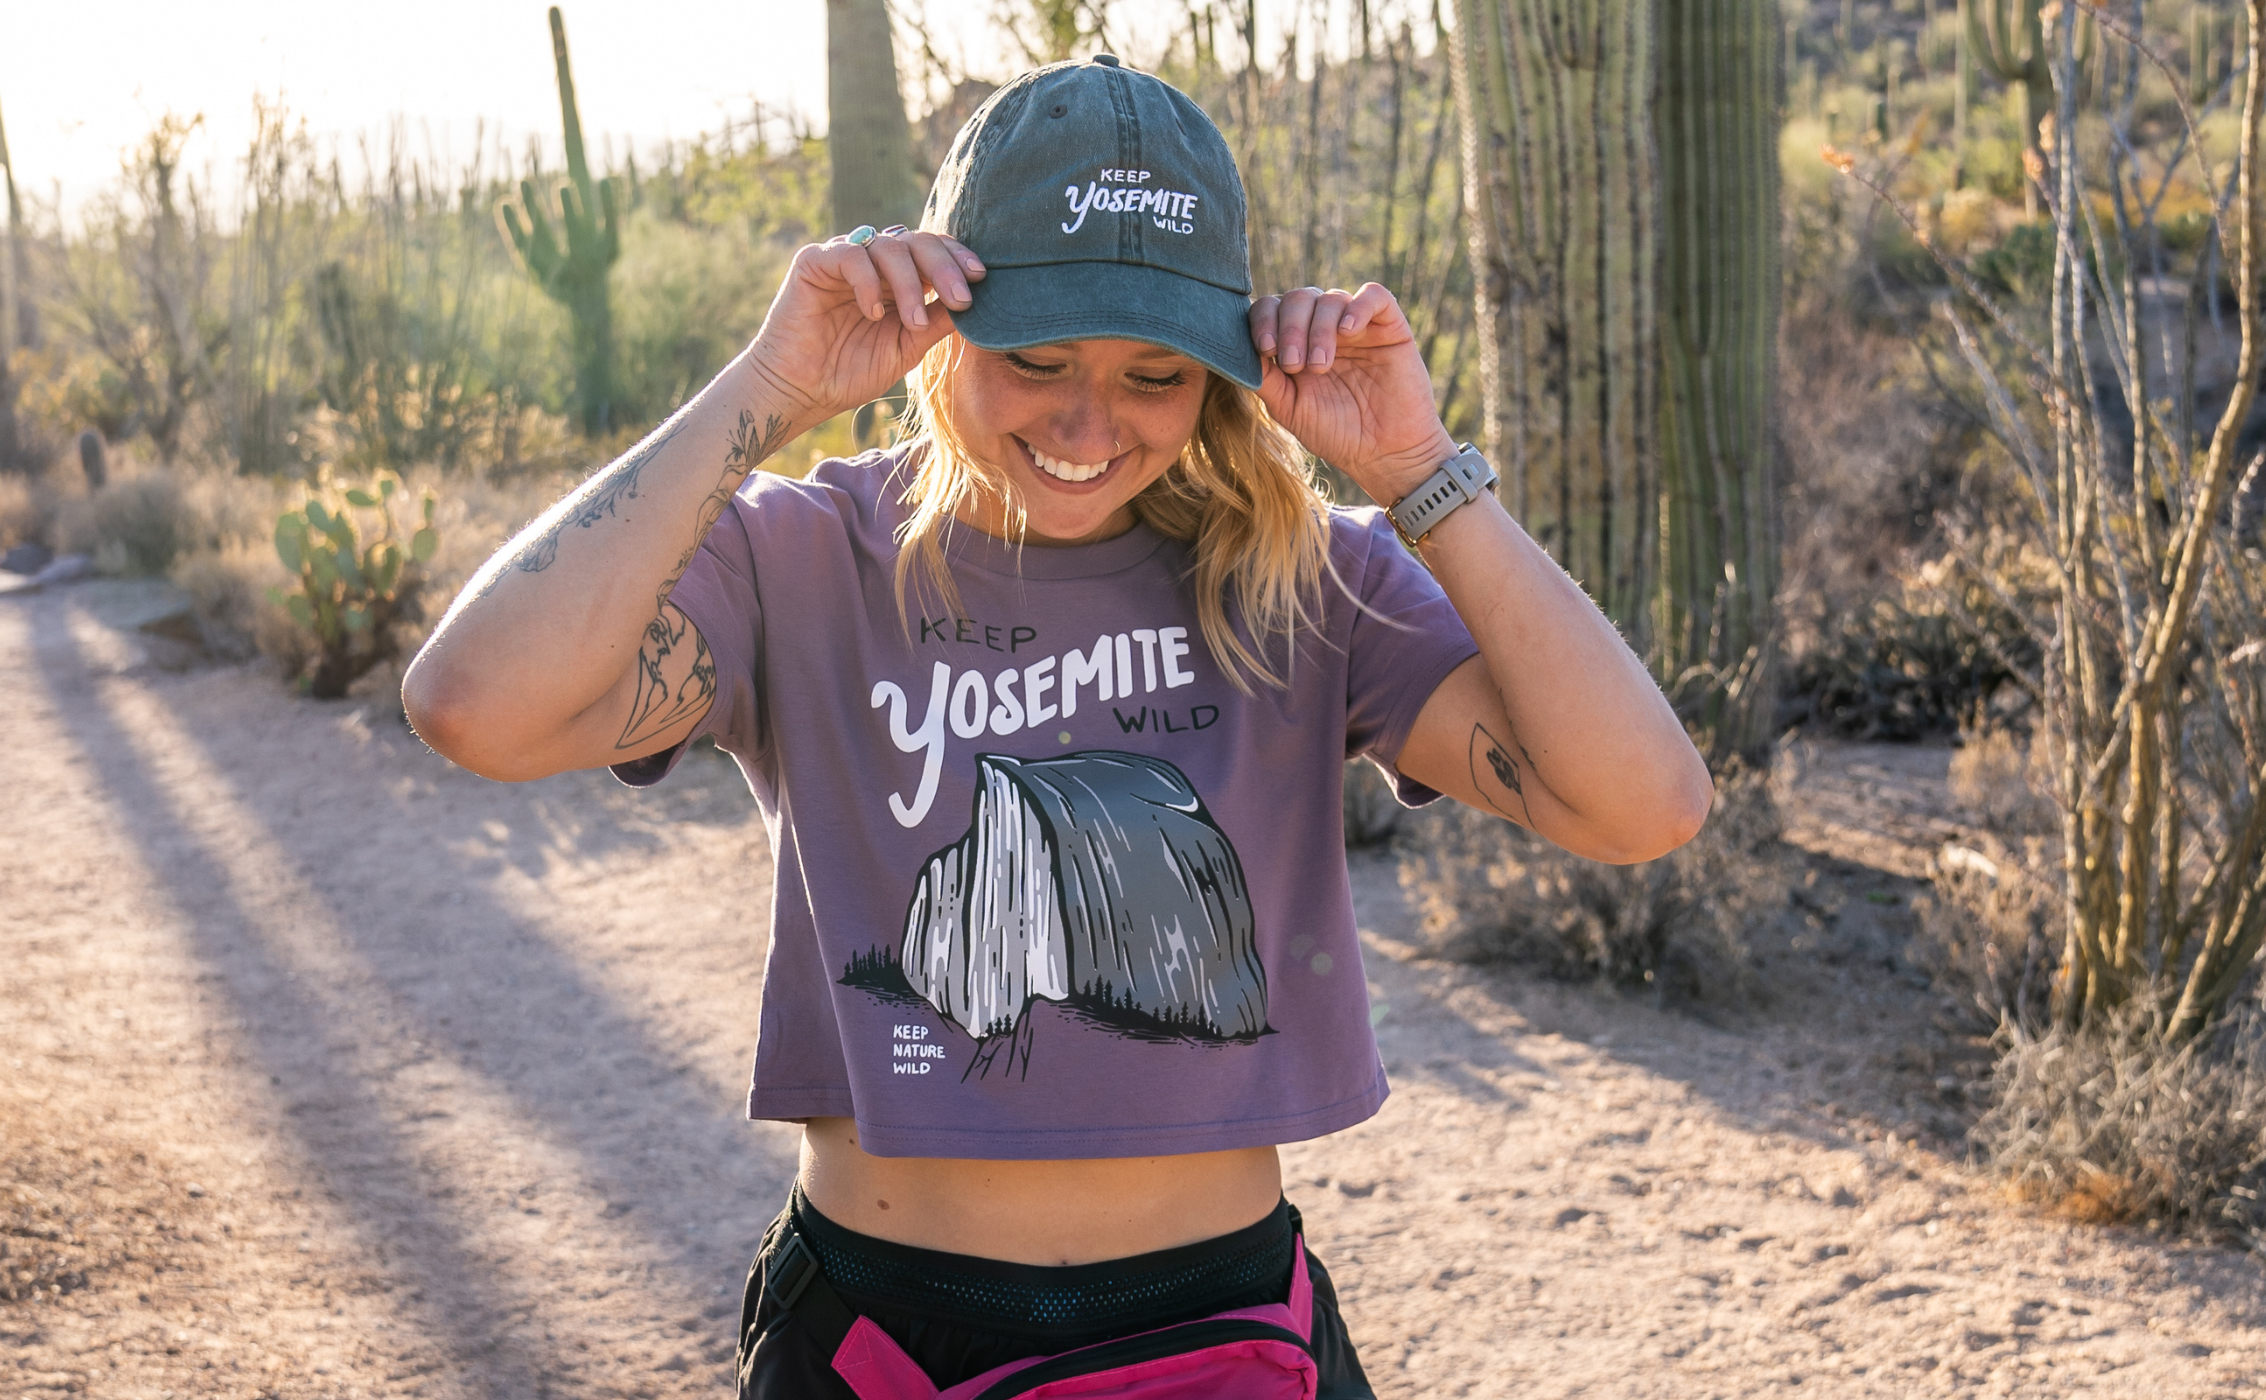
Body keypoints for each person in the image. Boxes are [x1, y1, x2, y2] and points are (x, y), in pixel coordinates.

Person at [403, 55, 1710, 1400]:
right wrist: (766, 391)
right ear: (944, 324)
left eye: (1157, 374)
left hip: (1217, 1332)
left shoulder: (1308, 576)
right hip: (880, 1333)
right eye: (1036, 358)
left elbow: (1644, 805)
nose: (1092, 421)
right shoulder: (800, 557)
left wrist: (1421, 474)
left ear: (1223, 371)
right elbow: (473, 706)